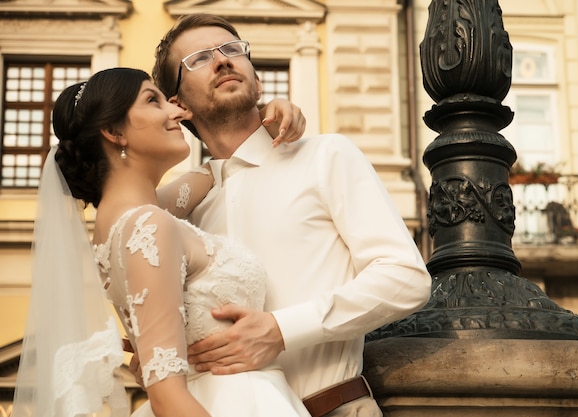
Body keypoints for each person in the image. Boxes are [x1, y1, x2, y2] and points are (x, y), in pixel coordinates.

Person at [150, 14, 433, 417]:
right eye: (198, 58)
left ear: (258, 79)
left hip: (333, 409)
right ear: (177, 105)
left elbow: (406, 279)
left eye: (233, 50)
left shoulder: (326, 156)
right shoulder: (185, 209)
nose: (223, 61)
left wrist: (282, 330)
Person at [12, 67, 311, 417]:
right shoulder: (148, 224)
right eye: (152, 101)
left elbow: (215, 171)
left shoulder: (133, 217)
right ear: (113, 131)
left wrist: (257, 118)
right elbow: (167, 398)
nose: (175, 111)